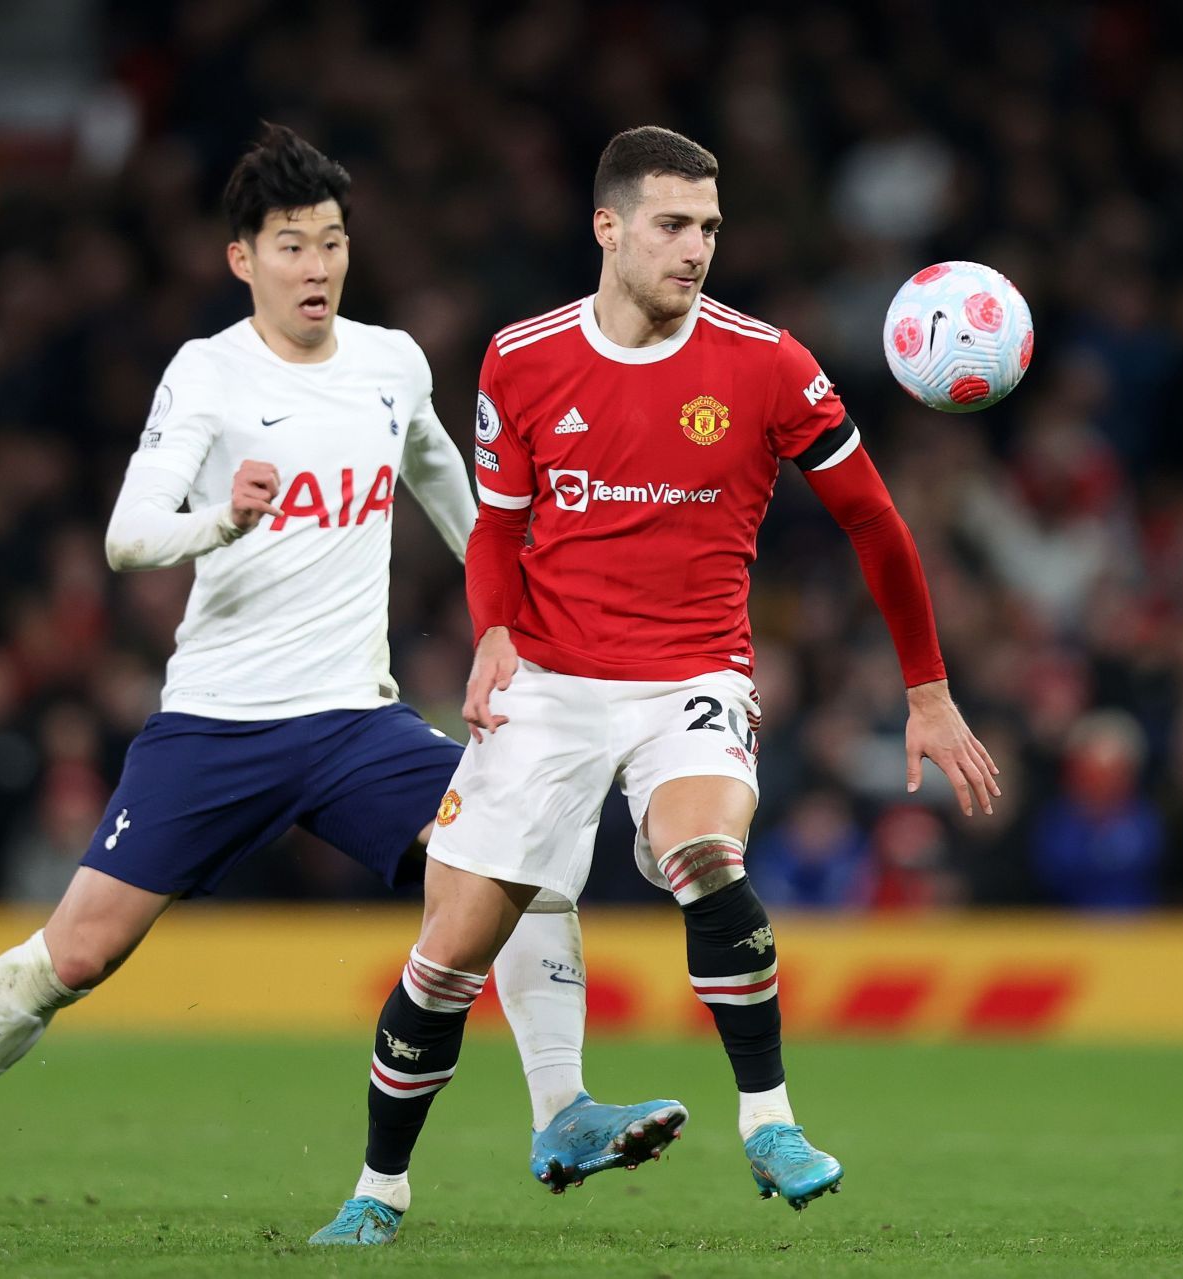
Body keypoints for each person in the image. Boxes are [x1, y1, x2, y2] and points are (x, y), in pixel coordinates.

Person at [0, 124, 682, 1235]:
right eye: (290, 246)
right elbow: (129, 537)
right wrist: (222, 515)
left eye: (331, 243)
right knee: (75, 953)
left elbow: (452, 491)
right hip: (218, 727)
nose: (316, 267)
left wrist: (505, 617)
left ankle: (561, 1113)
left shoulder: (391, 363)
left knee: (517, 853)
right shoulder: (208, 374)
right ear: (242, 259)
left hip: (355, 722)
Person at [311, 126, 999, 1246]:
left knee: (704, 853)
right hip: (546, 682)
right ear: (610, 227)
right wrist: (490, 633)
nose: (696, 249)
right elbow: (498, 523)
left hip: (694, 673)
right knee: (448, 956)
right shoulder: (521, 358)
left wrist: (927, 689)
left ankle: (770, 1123)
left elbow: (874, 521)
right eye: (674, 226)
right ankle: (377, 1191)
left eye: (711, 229)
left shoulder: (768, 363)